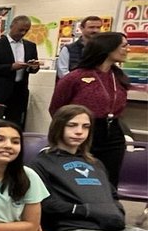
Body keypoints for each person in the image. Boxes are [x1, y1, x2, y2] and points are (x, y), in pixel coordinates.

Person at [49, 32, 131, 186]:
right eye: (124, 45)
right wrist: (69, 131)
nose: (128, 49)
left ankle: (108, 209)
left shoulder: (119, 77)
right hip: (83, 132)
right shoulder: (76, 77)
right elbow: (56, 109)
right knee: (80, 179)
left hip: (113, 134)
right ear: (108, 48)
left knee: (108, 180)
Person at [0, 14, 41, 127]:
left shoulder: (30, 46)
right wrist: (11, 67)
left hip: (19, 92)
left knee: (14, 125)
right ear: (12, 26)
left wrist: (33, 67)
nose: (23, 33)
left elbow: (32, 69)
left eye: (26, 31)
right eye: (20, 30)